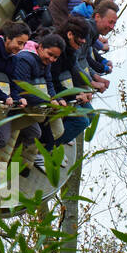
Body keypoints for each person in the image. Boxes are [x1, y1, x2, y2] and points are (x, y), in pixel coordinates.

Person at [7, 33, 67, 170]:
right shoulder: (26, 59)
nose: (52, 59)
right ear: (40, 47)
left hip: (31, 105)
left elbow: (48, 83)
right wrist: (48, 101)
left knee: (35, 134)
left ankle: (14, 161)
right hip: (15, 103)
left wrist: (57, 98)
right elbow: (23, 88)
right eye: (50, 54)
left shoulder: (45, 63)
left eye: (55, 57)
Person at [46, 16, 96, 153]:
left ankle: (59, 142)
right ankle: (46, 149)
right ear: (69, 35)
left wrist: (86, 88)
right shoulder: (57, 50)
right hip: (52, 89)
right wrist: (77, 95)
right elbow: (52, 80)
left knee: (90, 114)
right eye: (80, 40)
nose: (83, 42)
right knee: (80, 122)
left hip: (64, 87)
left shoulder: (72, 51)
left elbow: (74, 71)